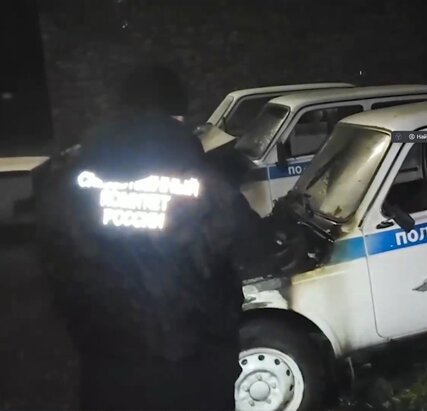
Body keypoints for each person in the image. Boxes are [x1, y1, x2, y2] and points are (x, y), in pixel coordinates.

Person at [36, 64, 266, 410]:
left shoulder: (69, 185)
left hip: (109, 372)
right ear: (177, 117)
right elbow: (257, 251)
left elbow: (54, 267)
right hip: (196, 374)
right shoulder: (209, 186)